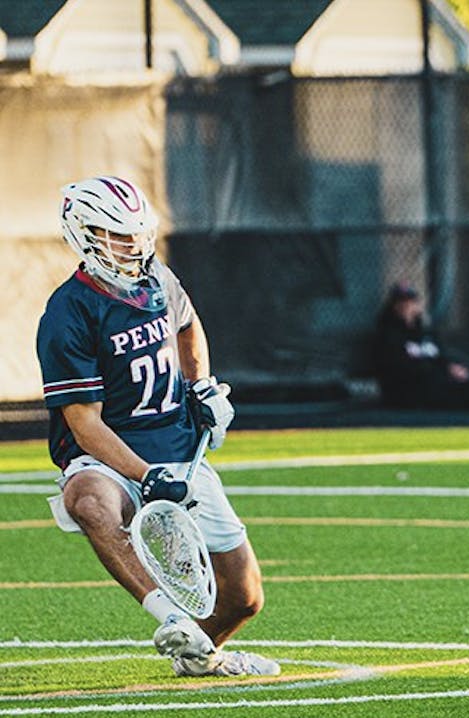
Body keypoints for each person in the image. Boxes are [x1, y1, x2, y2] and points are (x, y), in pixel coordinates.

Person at [37, 175, 277, 676]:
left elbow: (188, 325)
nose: (132, 243)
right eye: (117, 233)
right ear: (83, 234)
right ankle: (169, 616)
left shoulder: (158, 280)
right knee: (88, 499)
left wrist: (201, 386)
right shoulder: (68, 312)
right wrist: (146, 476)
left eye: (137, 232)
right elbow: (84, 425)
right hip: (108, 456)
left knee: (243, 597)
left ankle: (198, 656)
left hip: (177, 447)